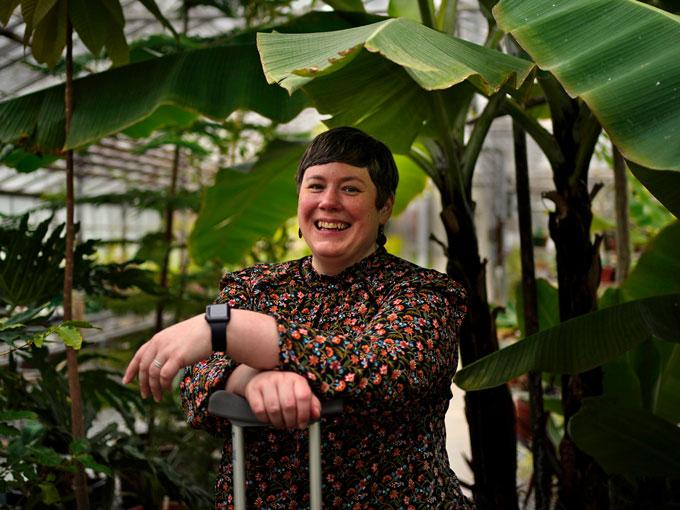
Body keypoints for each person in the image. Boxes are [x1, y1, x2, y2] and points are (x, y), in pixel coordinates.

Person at [124, 127, 474, 509]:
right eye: (316, 186)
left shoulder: (424, 294)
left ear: (384, 207)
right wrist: (252, 379)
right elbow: (197, 384)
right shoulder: (254, 287)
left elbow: (385, 370)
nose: (329, 202)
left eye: (351, 189)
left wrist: (229, 329)